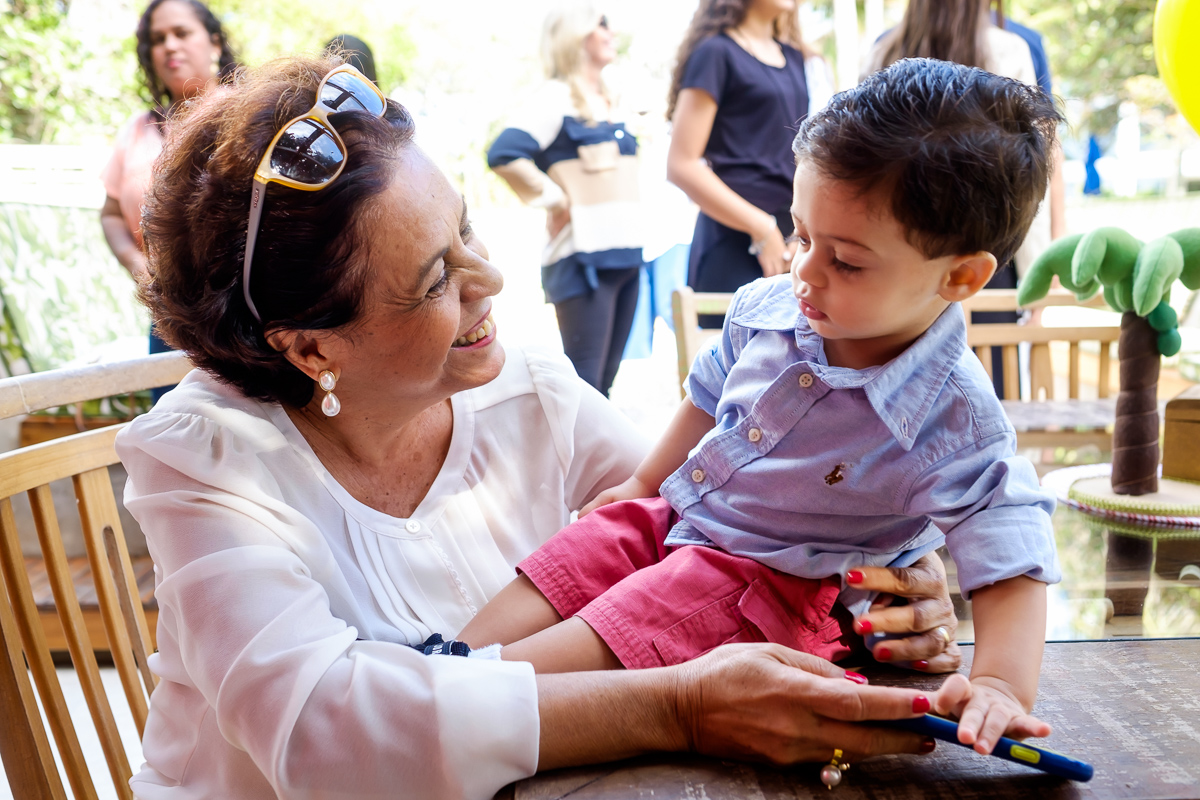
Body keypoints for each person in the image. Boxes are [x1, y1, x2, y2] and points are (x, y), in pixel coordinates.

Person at [116, 53, 963, 799]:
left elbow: (721, 523)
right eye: (435, 279)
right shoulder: (206, 460)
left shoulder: (529, 390)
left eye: (468, 231)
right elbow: (321, 737)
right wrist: (681, 706)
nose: (492, 281)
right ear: (309, 347)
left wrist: (878, 573)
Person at [461, 59, 1063, 757]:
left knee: (615, 625)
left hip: (761, 586)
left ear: (960, 275)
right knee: (593, 543)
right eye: (801, 234)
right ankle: (443, 662)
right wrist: (642, 484)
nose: (803, 270)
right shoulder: (771, 307)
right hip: (684, 516)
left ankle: (467, 694)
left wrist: (1001, 686)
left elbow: (1010, 552)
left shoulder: (950, 417)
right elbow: (708, 393)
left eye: (846, 260)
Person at [864, 0, 1058, 395]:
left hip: (895, 255)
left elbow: (859, 164)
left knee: (898, 393)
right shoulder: (1010, 49)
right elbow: (1029, 175)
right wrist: (1039, 273)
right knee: (983, 393)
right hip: (986, 255)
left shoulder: (883, 50)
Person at [487, 3, 642, 397]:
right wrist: (555, 200)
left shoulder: (610, 100)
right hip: (582, 260)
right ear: (576, 35)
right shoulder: (553, 99)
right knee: (586, 390)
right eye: (601, 24)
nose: (610, 32)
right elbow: (503, 153)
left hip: (626, 257)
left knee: (604, 387)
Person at [666, 0, 833, 325]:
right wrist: (761, 229)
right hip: (732, 242)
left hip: (788, 243)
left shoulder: (796, 57)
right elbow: (681, 164)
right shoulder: (715, 53)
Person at [100, 0, 234, 399]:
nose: (170, 46)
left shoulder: (249, 115)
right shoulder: (137, 130)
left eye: (181, 32)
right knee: (174, 437)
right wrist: (139, 267)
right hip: (167, 320)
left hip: (239, 317)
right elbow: (109, 214)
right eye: (158, 39)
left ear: (213, 44)